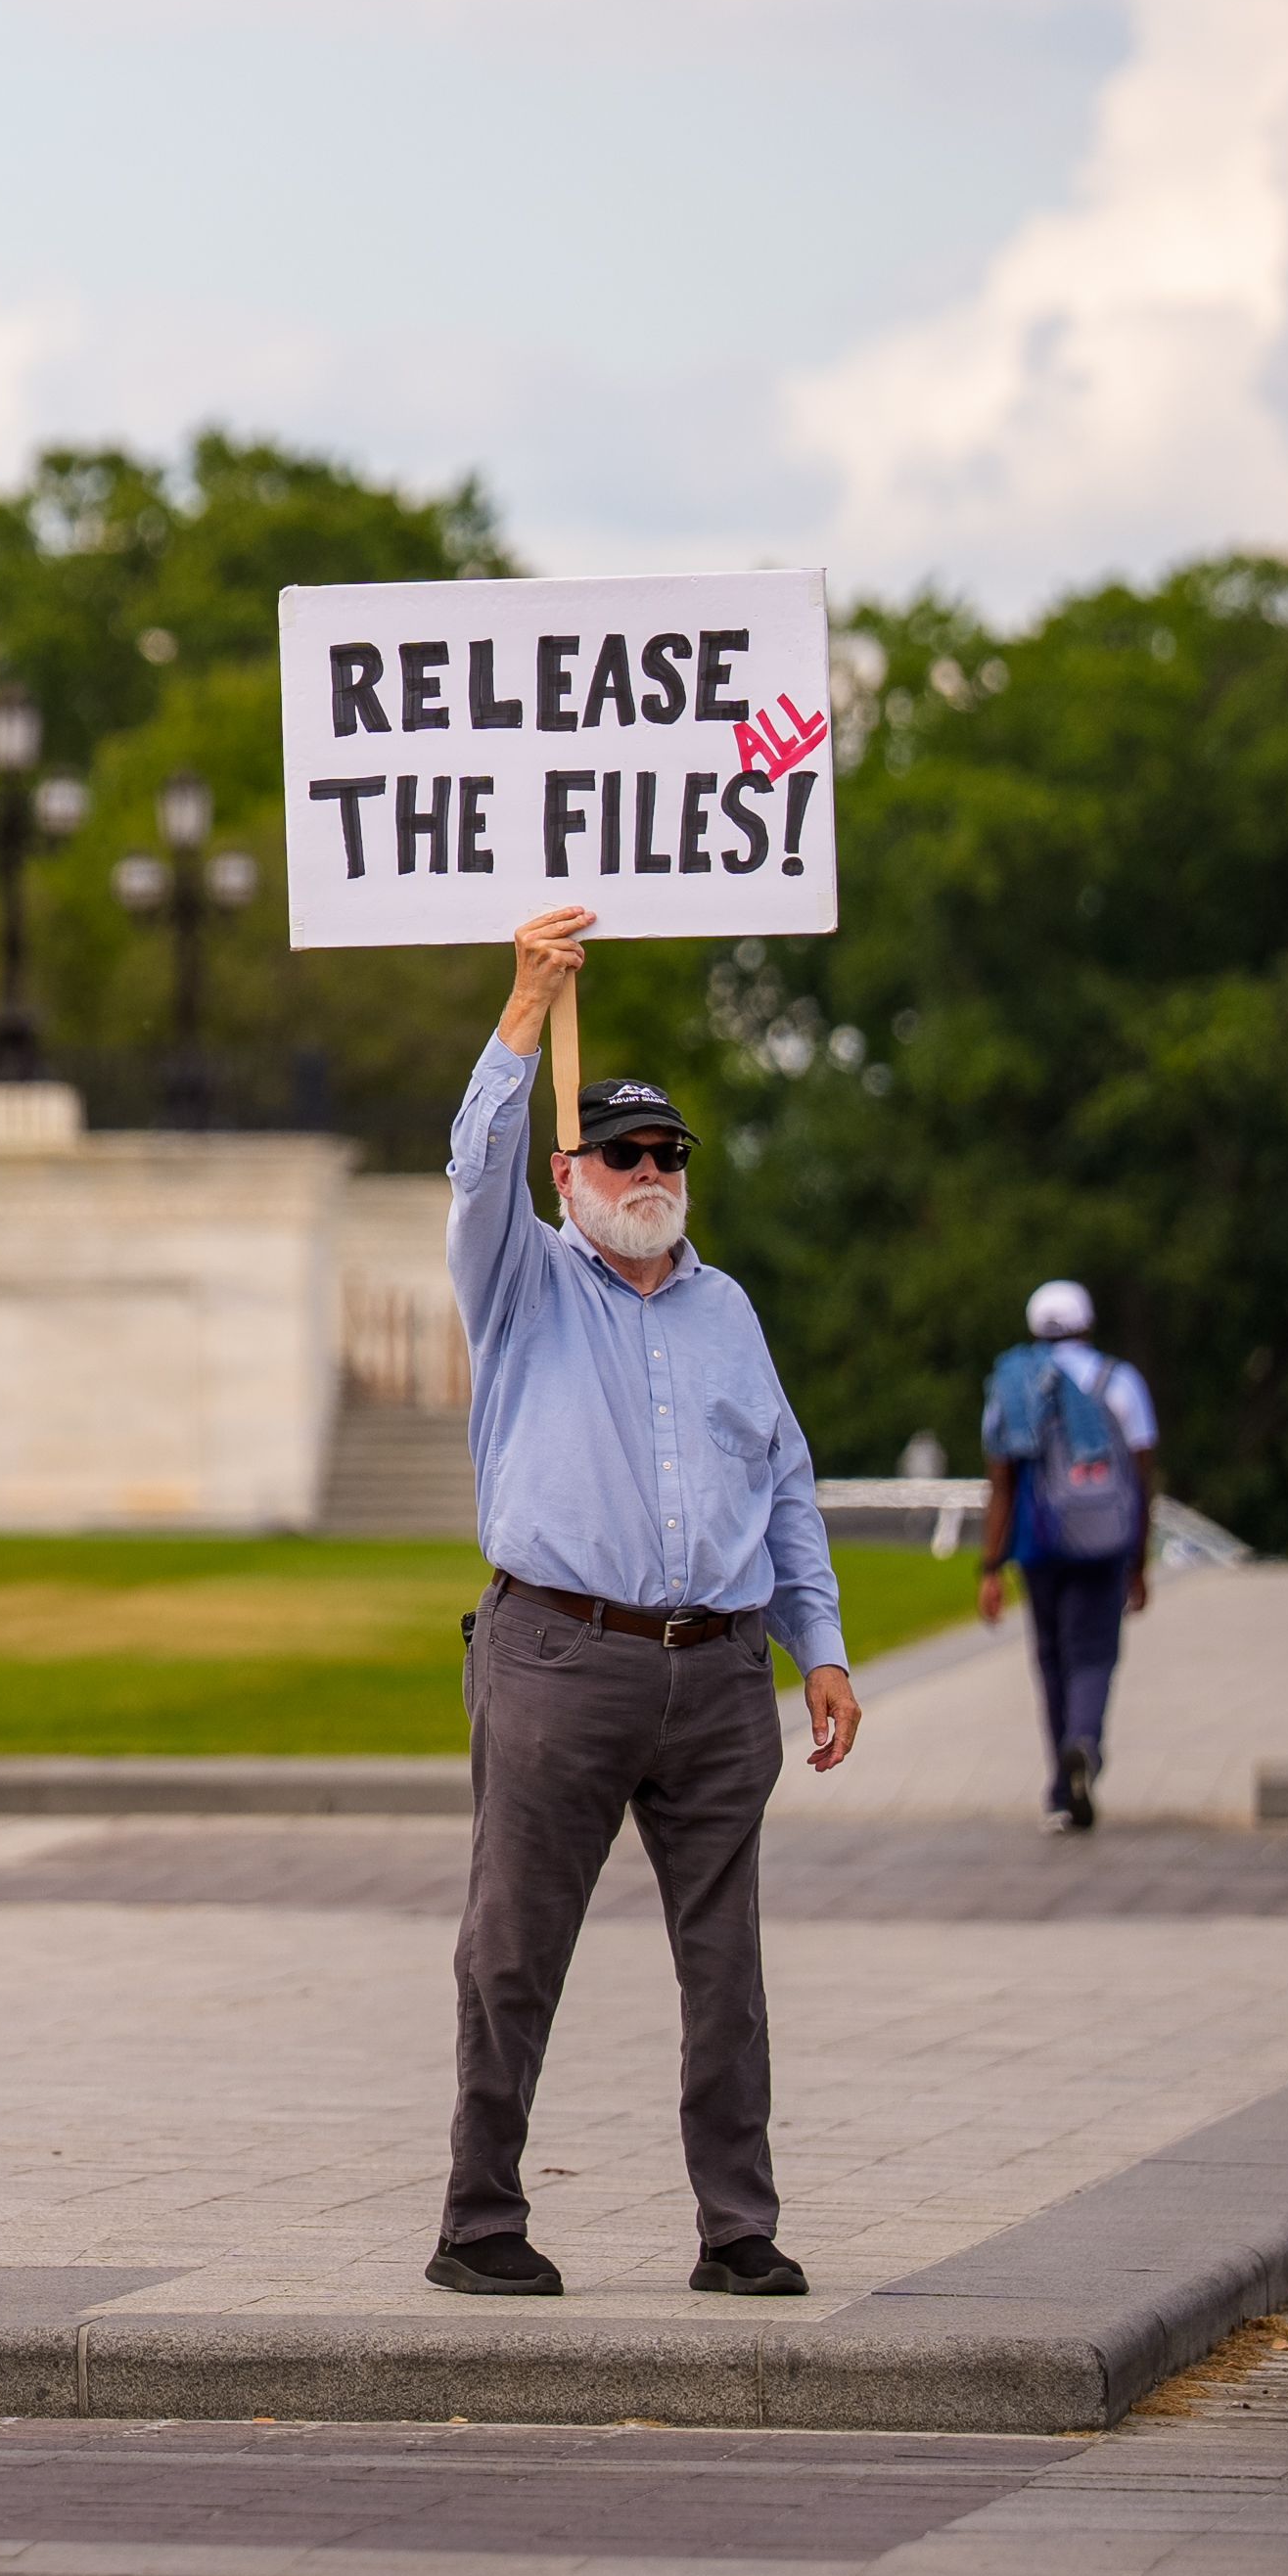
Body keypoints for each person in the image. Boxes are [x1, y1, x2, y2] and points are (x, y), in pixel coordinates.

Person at [428, 906, 859, 2304]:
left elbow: (784, 1480)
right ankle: (479, 2220)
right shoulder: (526, 1282)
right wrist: (522, 1013)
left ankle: (739, 2230)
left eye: (671, 1153)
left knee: (726, 1969)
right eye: (624, 1151)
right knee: (513, 1948)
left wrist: (823, 1651)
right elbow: (475, 1171)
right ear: (576, 1171)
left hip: (720, 1671)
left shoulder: (726, 1310)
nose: (653, 1170)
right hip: (560, 1651)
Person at [970, 1281, 1156, 1834]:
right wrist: (1140, 1562)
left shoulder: (1012, 1383)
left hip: (1039, 1544)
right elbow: (1143, 1478)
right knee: (1093, 1654)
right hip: (1104, 1544)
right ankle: (1084, 1746)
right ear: (1088, 1323)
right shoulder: (1118, 1381)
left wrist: (990, 1568)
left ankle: (1059, 1787)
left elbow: (1000, 1482)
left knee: (1051, 1659)